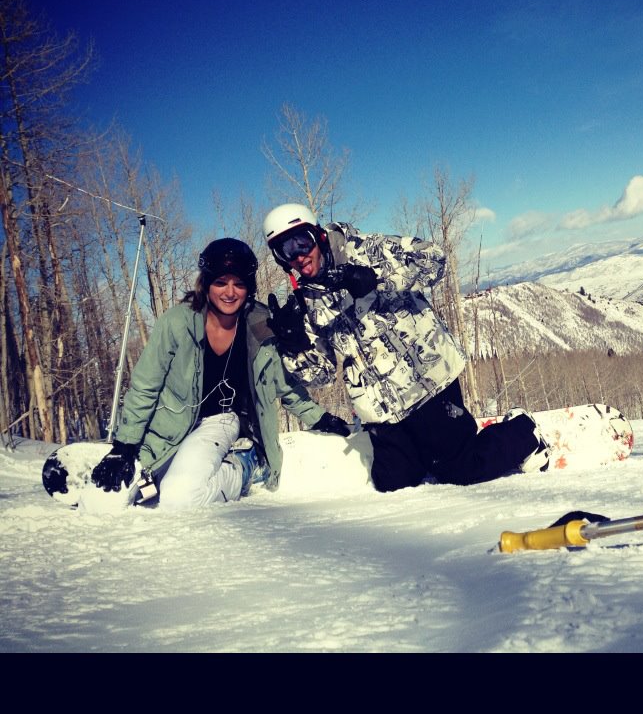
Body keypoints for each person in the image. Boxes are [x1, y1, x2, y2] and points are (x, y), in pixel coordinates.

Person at [262, 203, 549, 493]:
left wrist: (377, 278)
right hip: (381, 409)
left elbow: (434, 260)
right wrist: (294, 345)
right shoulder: (306, 302)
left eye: (302, 242)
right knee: (393, 486)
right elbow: (321, 376)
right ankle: (428, 453)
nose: (299, 255)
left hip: (427, 383)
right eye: (286, 250)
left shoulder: (365, 249)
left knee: (460, 470)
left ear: (318, 235)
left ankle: (524, 432)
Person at [90, 238, 346, 509]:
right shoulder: (178, 322)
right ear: (206, 283)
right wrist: (124, 446)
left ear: (249, 287)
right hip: (169, 423)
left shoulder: (260, 324)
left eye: (239, 283)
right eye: (221, 282)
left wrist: (319, 419)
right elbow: (145, 386)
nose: (230, 292)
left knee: (180, 497)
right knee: (103, 502)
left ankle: (247, 466)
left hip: (219, 421)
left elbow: (282, 384)